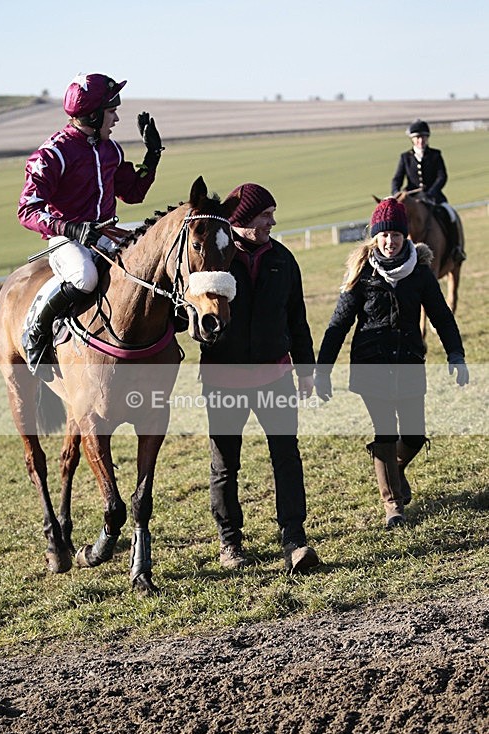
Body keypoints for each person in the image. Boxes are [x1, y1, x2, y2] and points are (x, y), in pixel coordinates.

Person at [315, 197, 469, 528]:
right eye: (384, 235)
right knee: (384, 431)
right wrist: (323, 370)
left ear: (405, 236)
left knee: (414, 434)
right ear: (375, 237)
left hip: (410, 360)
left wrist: (456, 354)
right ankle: (392, 505)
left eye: (396, 235)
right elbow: (338, 324)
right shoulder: (362, 275)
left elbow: (441, 316)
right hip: (371, 364)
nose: (389, 241)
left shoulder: (421, 273)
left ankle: (394, 468)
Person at [199, 183, 320, 575]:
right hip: (224, 381)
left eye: (272, 214)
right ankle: (230, 544)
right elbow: (195, 321)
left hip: (276, 377)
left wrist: (306, 370)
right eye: (265, 215)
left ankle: (294, 541)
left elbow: (297, 320)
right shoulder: (214, 261)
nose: (273, 221)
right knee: (225, 467)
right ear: (242, 221)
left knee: (286, 458)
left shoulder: (283, 259)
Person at [18, 72, 164, 374]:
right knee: (85, 278)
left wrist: (152, 155)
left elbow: (133, 194)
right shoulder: (52, 155)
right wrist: (69, 228)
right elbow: (27, 210)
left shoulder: (110, 149)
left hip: (107, 232)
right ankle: (37, 332)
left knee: (149, 263)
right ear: (94, 114)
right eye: (112, 112)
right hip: (66, 238)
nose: (117, 119)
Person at [391, 119, 465, 259]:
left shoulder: (435, 154)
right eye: (417, 137)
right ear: (412, 139)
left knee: (450, 214)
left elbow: (442, 176)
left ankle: (456, 250)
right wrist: (396, 194)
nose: (420, 140)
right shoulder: (405, 157)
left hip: (433, 197)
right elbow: (397, 179)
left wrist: (431, 192)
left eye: (423, 137)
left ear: (427, 137)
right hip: (412, 199)